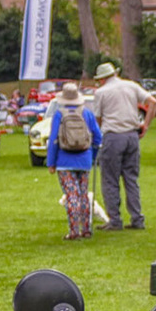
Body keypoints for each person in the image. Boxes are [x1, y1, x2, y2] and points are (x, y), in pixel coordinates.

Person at [90, 60, 155, 229]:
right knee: (131, 179)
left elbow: (98, 118)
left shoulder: (101, 92)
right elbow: (152, 102)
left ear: (102, 79)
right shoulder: (131, 86)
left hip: (113, 136)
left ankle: (115, 220)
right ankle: (137, 218)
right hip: (132, 136)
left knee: (110, 179)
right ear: (115, 73)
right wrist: (145, 125)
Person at [46, 81, 103, 240]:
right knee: (83, 194)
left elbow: (53, 139)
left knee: (71, 195)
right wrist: (92, 156)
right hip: (84, 160)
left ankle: (74, 231)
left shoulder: (59, 115)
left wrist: (51, 162)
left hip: (64, 161)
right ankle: (86, 229)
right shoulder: (87, 113)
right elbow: (98, 137)